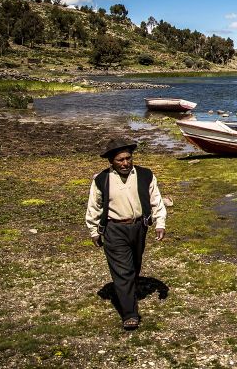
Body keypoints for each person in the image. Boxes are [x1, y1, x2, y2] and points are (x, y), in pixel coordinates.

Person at [85, 137, 167, 330]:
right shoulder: (101, 179)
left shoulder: (146, 175)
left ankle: (126, 290)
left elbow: (156, 200)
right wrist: (93, 231)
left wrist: (160, 223)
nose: (125, 163)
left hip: (140, 227)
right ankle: (130, 314)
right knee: (123, 271)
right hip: (114, 229)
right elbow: (93, 206)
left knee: (134, 266)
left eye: (128, 158)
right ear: (111, 161)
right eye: (120, 160)